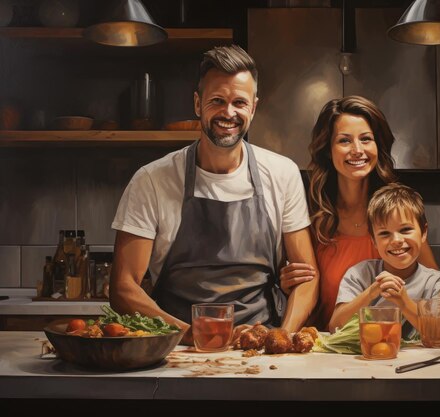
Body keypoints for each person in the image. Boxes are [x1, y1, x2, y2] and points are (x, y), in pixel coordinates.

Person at [109, 45, 318, 345]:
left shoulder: (283, 174)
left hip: (260, 349)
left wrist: (281, 336)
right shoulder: (151, 180)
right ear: (197, 103)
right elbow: (123, 288)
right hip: (178, 350)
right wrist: (194, 335)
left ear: (254, 108)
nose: (228, 113)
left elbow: (308, 278)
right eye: (217, 100)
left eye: (239, 102)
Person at [279, 96, 440, 331]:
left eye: (366, 139)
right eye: (344, 140)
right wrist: (286, 285)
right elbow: (305, 288)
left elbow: (429, 289)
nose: (357, 150)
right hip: (325, 348)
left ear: (378, 146)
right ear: (328, 150)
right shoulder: (313, 216)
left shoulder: (397, 214)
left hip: (387, 346)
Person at [328, 183, 440, 334]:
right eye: (384, 233)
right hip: (373, 355)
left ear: (423, 232)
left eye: (405, 230)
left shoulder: (438, 283)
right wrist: (370, 293)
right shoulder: (359, 274)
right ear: (374, 241)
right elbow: (335, 326)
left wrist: (403, 302)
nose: (396, 240)